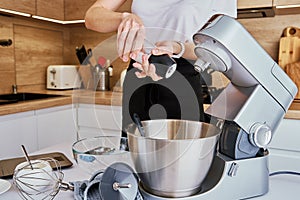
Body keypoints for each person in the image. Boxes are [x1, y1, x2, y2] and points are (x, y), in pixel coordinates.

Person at [85, 0, 237, 135]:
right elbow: (91, 16)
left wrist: (179, 48)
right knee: (135, 154)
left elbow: (220, 48)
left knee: (184, 156)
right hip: (138, 76)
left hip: (181, 78)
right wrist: (124, 19)